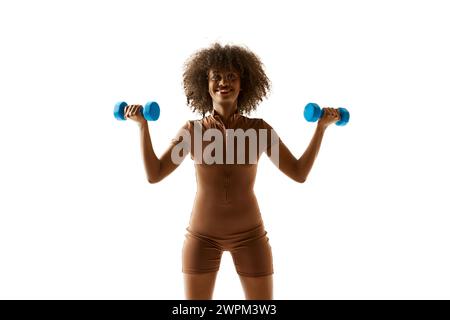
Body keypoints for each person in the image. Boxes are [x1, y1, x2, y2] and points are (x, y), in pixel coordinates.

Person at [124, 43, 341, 300]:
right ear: (205, 84)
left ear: (243, 84)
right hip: (201, 237)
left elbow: (299, 173)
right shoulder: (192, 132)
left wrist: (321, 128)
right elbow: (155, 174)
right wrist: (142, 127)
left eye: (231, 77)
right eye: (216, 77)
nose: (223, 82)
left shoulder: (259, 130)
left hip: (250, 237)